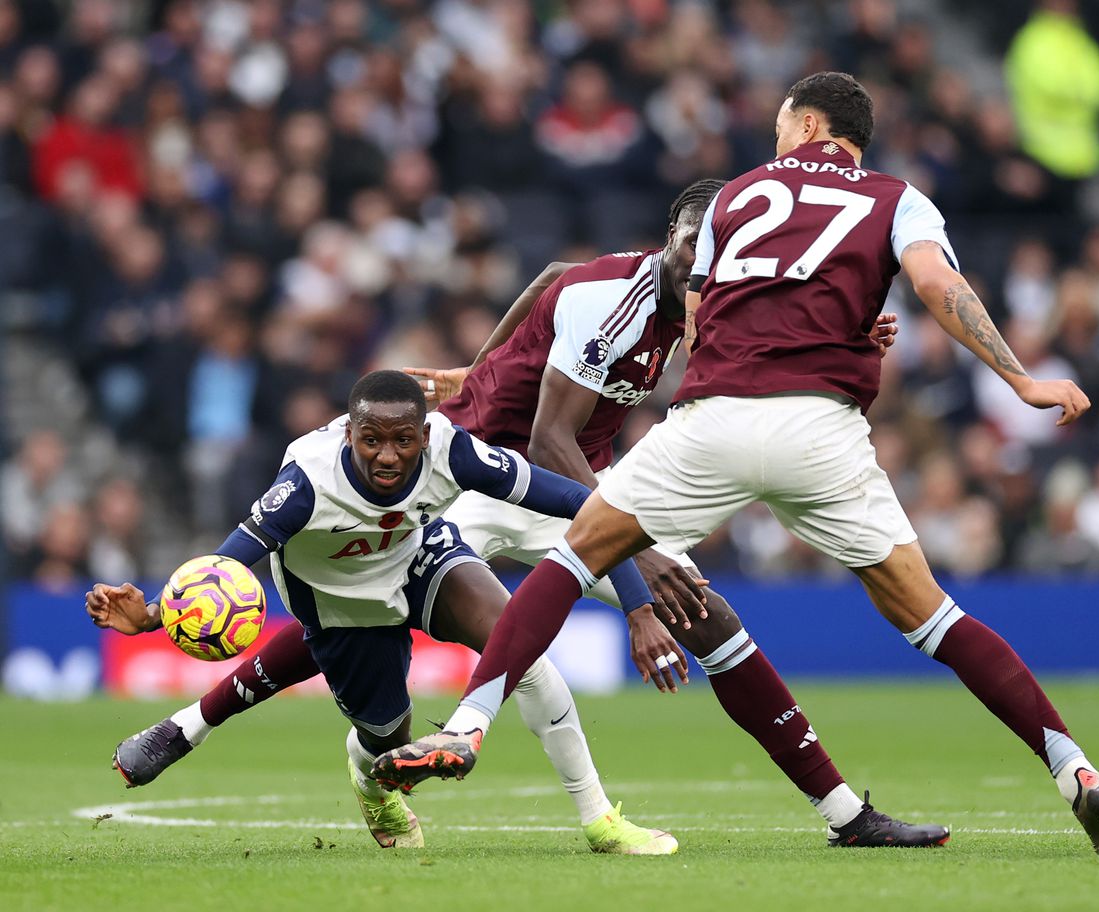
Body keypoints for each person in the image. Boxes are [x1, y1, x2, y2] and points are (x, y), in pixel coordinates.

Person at [376, 73, 1099, 857]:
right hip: (823, 431)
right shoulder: (896, 198)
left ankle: (468, 729)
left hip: (717, 420)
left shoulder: (737, 196)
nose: (778, 140)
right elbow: (939, 284)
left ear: (807, 124)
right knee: (936, 617)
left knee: (571, 560)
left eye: (783, 126)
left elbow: (707, 332)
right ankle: (1072, 768)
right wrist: (1019, 377)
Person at [93, 181, 946, 849]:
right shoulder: (614, 298)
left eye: (714, 257)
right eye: (692, 251)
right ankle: (206, 722)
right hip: (479, 475)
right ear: (673, 239)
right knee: (404, 610)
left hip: (559, 482)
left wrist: (850, 343)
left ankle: (842, 812)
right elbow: (550, 436)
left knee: (707, 612)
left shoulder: (711, 299)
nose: (703, 270)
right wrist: (635, 581)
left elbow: (548, 284)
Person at [86, 370, 680, 855]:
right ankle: (367, 774)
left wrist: (638, 606)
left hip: (420, 557)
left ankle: (600, 821)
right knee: (385, 742)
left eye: (404, 440)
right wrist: (157, 614)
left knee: (518, 644)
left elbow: (585, 504)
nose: (388, 455)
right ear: (349, 435)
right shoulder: (306, 483)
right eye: (372, 439)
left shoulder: (453, 450)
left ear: (424, 434)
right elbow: (228, 567)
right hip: (339, 603)